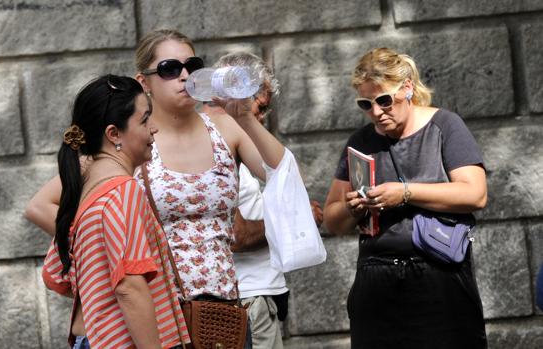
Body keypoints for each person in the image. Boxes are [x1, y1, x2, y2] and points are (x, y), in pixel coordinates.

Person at [27, 29, 294, 348]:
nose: (184, 75)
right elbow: (41, 206)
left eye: (192, 65)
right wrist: (107, 256)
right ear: (144, 81)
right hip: (158, 312)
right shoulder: (130, 143)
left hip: (221, 310)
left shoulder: (224, 128)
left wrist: (245, 118)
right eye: (169, 68)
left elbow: (286, 176)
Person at [323, 48, 488, 349]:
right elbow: (332, 220)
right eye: (365, 104)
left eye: (384, 100)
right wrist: (352, 208)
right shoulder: (360, 142)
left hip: (439, 276)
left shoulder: (444, 126)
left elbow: (475, 194)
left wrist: (405, 193)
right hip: (376, 280)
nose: (376, 112)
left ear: (408, 87)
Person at [39, 74, 189, 349]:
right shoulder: (122, 191)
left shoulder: (85, 190)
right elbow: (129, 287)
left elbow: (55, 277)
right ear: (113, 134)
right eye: (144, 120)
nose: (153, 128)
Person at [202, 51, 323, 349]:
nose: (262, 117)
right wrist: (293, 219)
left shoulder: (209, 134)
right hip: (246, 297)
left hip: (248, 294)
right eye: (261, 106)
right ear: (240, 94)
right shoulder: (220, 138)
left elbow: (284, 174)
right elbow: (237, 235)